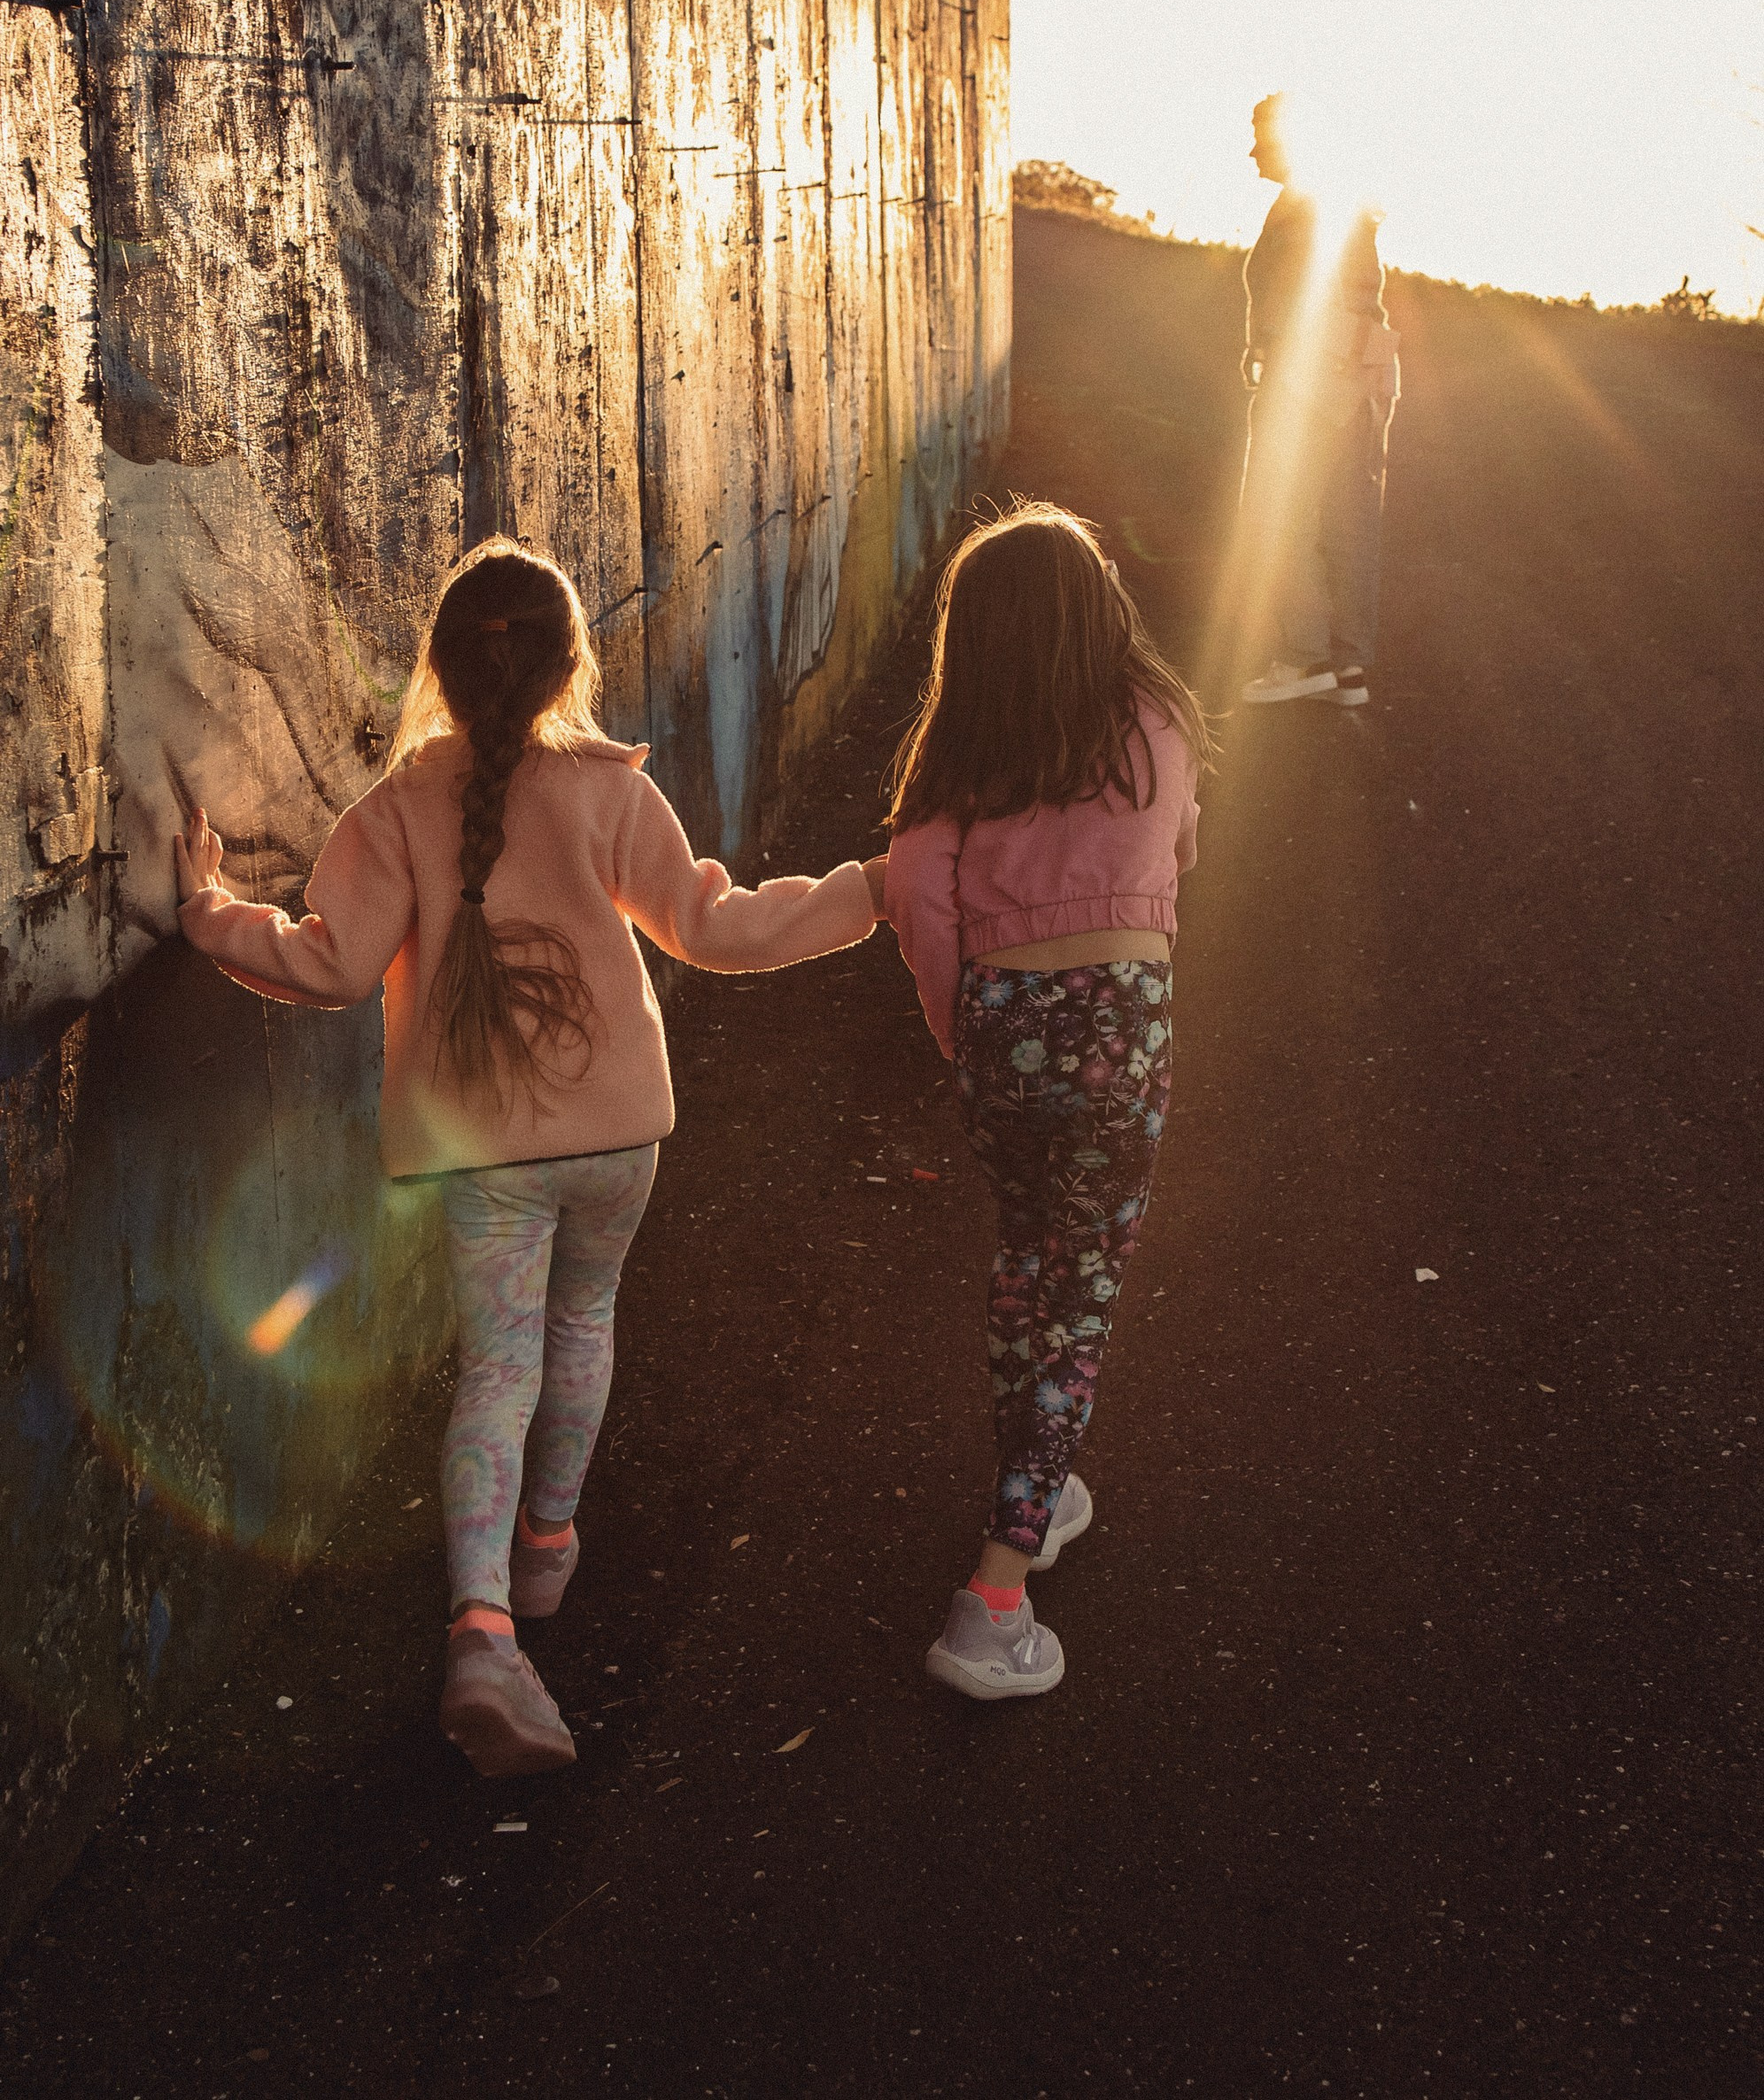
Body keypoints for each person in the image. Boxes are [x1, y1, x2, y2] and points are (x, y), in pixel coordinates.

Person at [175, 539, 878, 1777]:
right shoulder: (610, 788)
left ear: (438, 667)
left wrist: (207, 914)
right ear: (569, 665)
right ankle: (548, 1549)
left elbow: (331, 963)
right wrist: (865, 890)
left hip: (482, 1156)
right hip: (618, 1139)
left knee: (496, 1370)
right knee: (583, 1328)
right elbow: (714, 927)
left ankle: (486, 1628)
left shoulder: (393, 810)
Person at [876, 504, 1211, 1700]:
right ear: (1099, 614)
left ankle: (1042, 1483)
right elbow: (1178, 849)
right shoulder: (1158, 724)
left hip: (1004, 1033)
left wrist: (963, 1028)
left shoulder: (967, 757)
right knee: (1084, 1292)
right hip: (1121, 1027)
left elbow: (921, 893)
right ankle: (995, 1596)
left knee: (1031, 1268)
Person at [1237, 92, 1400, 707]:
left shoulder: (1311, 202)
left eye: (1261, 136)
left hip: (1312, 373)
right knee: (1347, 518)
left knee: (1280, 516)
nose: (1252, 149)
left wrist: (1273, 349)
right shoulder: (1340, 199)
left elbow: (1299, 295)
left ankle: (1304, 658)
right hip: (1361, 371)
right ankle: (1347, 666)